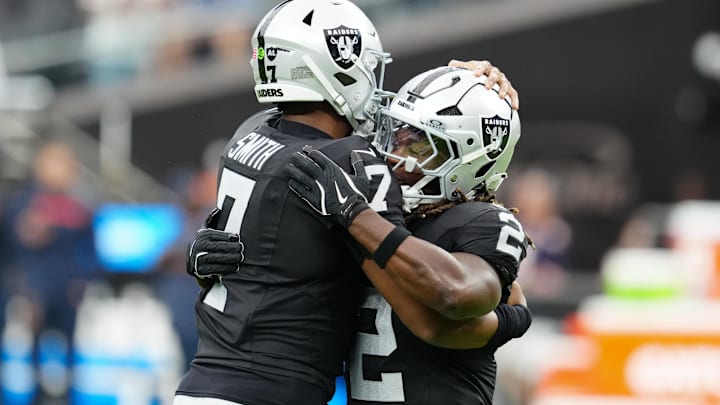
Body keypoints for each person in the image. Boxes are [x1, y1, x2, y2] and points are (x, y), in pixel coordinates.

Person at [175, 1, 519, 404]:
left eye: (421, 144)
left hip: (206, 382)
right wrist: (514, 319)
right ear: (338, 64)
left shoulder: (251, 132)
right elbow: (431, 317)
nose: (399, 154)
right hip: (274, 390)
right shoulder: (355, 165)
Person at [287, 66, 532, 404]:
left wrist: (356, 219)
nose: (394, 156)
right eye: (398, 137)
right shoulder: (380, 211)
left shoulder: (479, 221)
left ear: (471, 157)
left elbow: (452, 300)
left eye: (420, 147)